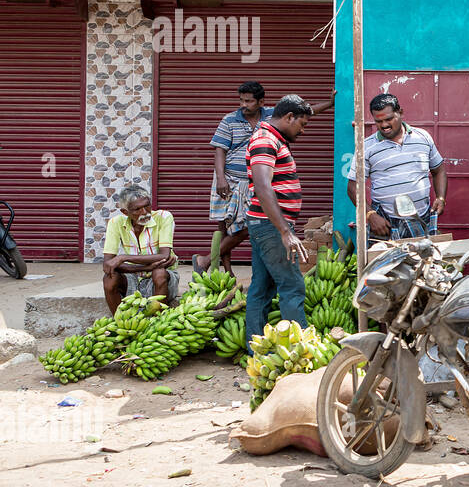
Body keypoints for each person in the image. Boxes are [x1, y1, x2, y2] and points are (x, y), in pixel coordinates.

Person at [195, 82, 335, 272]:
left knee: (245, 226)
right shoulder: (229, 120)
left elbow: (307, 110)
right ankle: (225, 273)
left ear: (261, 102)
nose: (244, 105)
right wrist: (221, 179)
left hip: (251, 181)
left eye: (249, 101)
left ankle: (204, 260)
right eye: (241, 100)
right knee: (224, 229)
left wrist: (331, 102)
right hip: (229, 179)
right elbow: (220, 151)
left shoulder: (273, 115)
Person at [244, 95, 314, 351]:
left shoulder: (270, 137)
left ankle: (256, 349)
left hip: (265, 225)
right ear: (288, 117)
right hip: (271, 227)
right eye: (301, 124)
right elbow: (263, 187)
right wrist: (285, 231)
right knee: (292, 286)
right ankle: (302, 349)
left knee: (262, 287)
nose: (302, 131)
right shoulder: (265, 140)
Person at [346, 93, 446, 239]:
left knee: (423, 260)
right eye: (378, 121)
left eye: (389, 119)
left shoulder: (422, 137)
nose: (384, 125)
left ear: (400, 112)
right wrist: (370, 215)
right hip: (384, 224)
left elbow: (439, 171)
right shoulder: (366, 147)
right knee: (384, 261)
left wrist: (441, 197)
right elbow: (352, 187)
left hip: (421, 219)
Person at [102, 185, 179, 313]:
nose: (144, 212)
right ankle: (119, 322)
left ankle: (156, 324)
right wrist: (146, 267)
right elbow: (108, 265)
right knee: (109, 277)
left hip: (161, 279)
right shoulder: (115, 223)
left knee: (159, 273)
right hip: (132, 277)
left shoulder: (164, 217)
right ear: (125, 212)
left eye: (147, 205)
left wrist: (122, 258)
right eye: (137, 209)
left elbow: (164, 256)